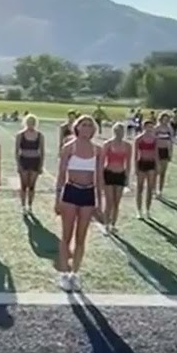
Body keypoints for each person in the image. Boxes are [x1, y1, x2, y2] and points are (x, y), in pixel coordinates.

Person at [55, 115, 102, 291]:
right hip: (70, 192)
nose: (87, 128)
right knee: (66, 235)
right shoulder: (69, 147)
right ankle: (64, 273)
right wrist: (57, 198)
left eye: (90, 125)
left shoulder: (98, 150)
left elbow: (99, 177)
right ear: (77, 127)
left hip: (88, 194)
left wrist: (99, 202)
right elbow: (61, 175)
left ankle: (75, 273)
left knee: (81, 237)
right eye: (84, 125)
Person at [100, 122, 132, 233]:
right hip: (109, 173)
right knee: (109, 202)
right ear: (114, 132)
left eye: (121, 131)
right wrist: (101, 177)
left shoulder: (128, 146)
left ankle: (113, 224)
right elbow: (102, 161)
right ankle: (106, 225)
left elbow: (128, 163)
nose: (120, 133)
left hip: (120, 175)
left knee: (116, 202)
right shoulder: (107, 144)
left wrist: (127, 177)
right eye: (117, 131)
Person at [15, 114, 45, 213]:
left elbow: (42, 151)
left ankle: (30, 205)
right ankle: (23, 205)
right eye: (29, 122)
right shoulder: (20, 135)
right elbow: (16, 151)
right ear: (25, 123)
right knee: (24, 184)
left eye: (32, 122)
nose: (30, 124)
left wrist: (41, 165)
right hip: (24, 160)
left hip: (35, 161)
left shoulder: (40, 135)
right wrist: (18, 165)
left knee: (32, 185)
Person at [132, 121, 159, 218]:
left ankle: (147, 210)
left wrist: (157, 166)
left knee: (150, 188)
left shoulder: (155, 139)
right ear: (144, 127)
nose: (150, 129)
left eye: (151, 127)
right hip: (142, 163)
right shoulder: (138, 139)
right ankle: (139, 210)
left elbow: (156, 154)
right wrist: (135, 167)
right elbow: (135, 155)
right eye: (148, 127)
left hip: (151, 164)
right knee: (139, 187)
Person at [153, 112, 175, 197]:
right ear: (160, 119)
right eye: (164, 119)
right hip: (157, 151)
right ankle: (153, 189)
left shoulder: (170, 129)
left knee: (163, 172)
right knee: (156, 171)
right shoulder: (156, 128)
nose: (165, 121)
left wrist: (170, 153)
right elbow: (153, 141)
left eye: (167, 119)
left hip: (165, 151)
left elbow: (171, 142)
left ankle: (160, 190)